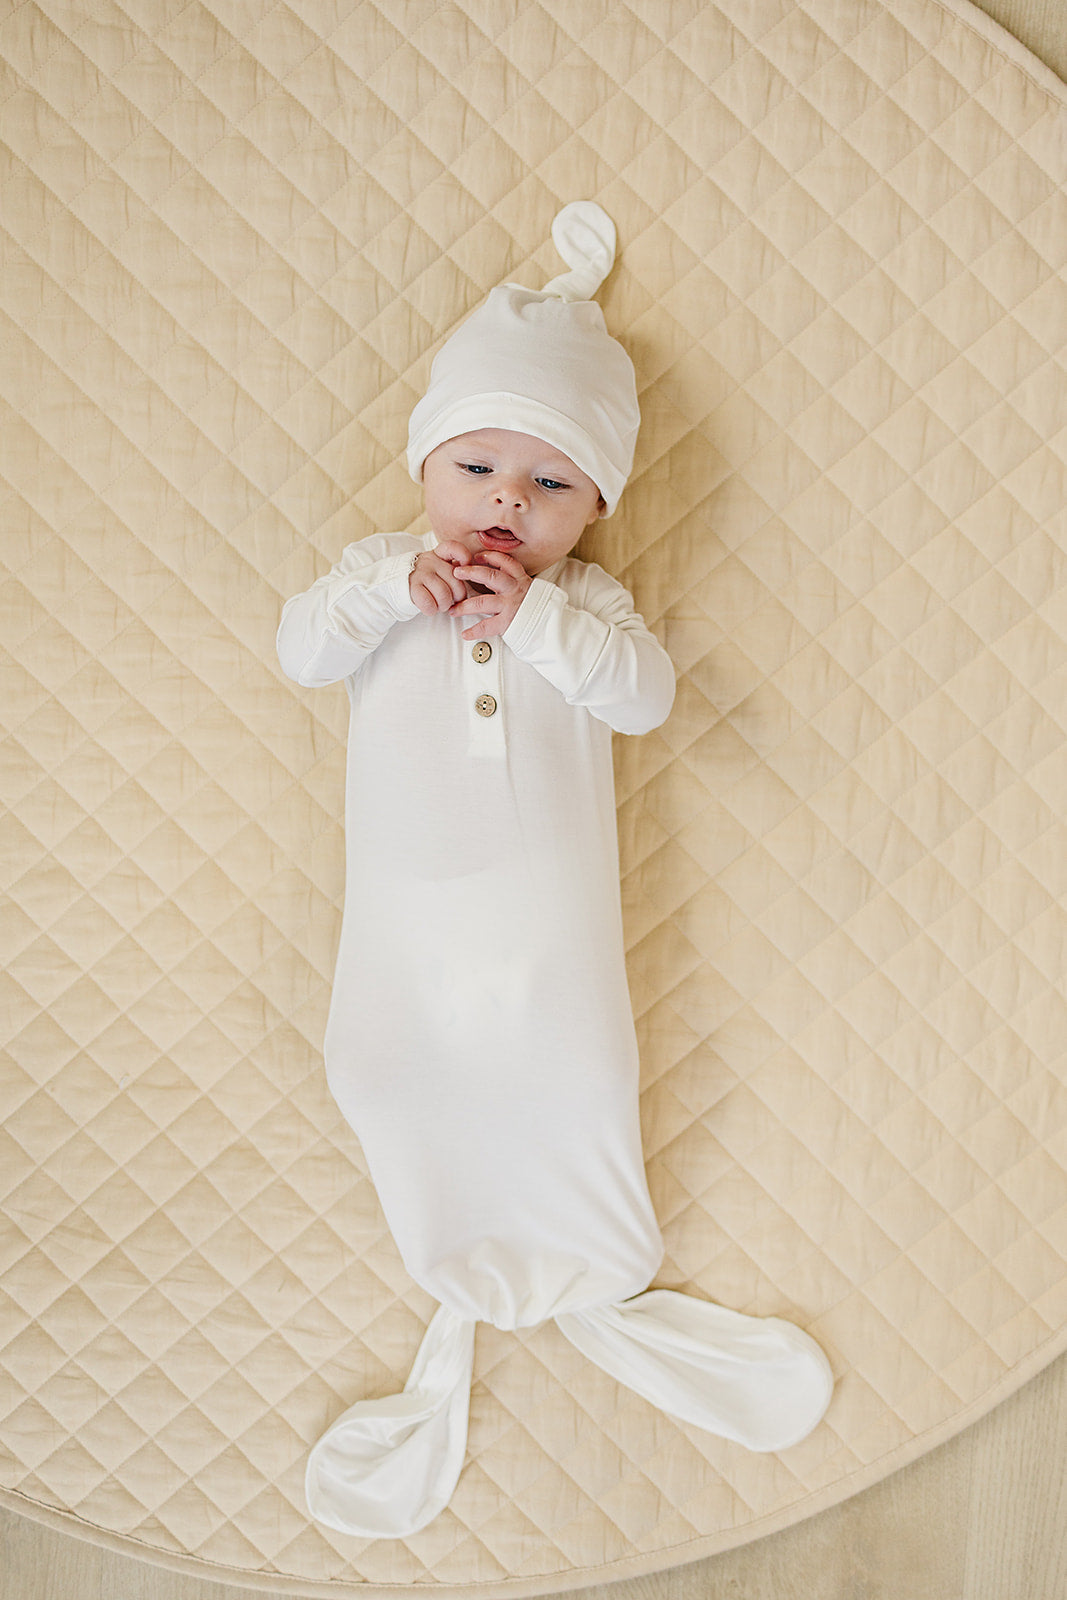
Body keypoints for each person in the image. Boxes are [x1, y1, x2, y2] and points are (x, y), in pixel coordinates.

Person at [277, 203, 833, 1540]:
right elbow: (301, 650)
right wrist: (390, 594)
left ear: (596, 510)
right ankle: (458, 1268)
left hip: (548, 925)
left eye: (551, 485)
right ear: (426, 465)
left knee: (576, 1074)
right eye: (475, 467)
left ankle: (595, 1268)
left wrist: (534, 622)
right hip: (404, 923)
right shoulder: (379, 574)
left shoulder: (584, 610)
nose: (505, 504)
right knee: (377, 1066)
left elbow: (643, 698)